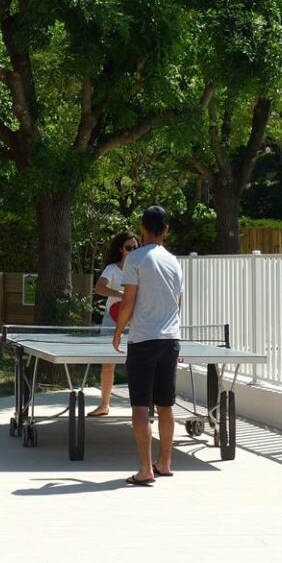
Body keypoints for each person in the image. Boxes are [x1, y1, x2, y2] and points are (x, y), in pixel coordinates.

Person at [112, 205, 183, 486]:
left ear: (142, 228)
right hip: (171, 340)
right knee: (165, 406)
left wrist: (118, 332)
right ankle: (165, 463)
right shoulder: (175, 262)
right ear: (166, 230)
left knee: (141, 407)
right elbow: (179, 303)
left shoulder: (136, 259)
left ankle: (145, 469)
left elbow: (128, 301)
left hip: (143, 340)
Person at [88, 231, 139, 417]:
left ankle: (140, 409)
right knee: (108, 364)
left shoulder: (143, 268)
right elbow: (99, 288)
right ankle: (104, 405)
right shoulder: (112, 269)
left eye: (135, 247)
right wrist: (121, 294)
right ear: (121, 249)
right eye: (128, 248)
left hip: (136, 321)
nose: (132, 251)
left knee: (138, 365)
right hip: (112, 319)